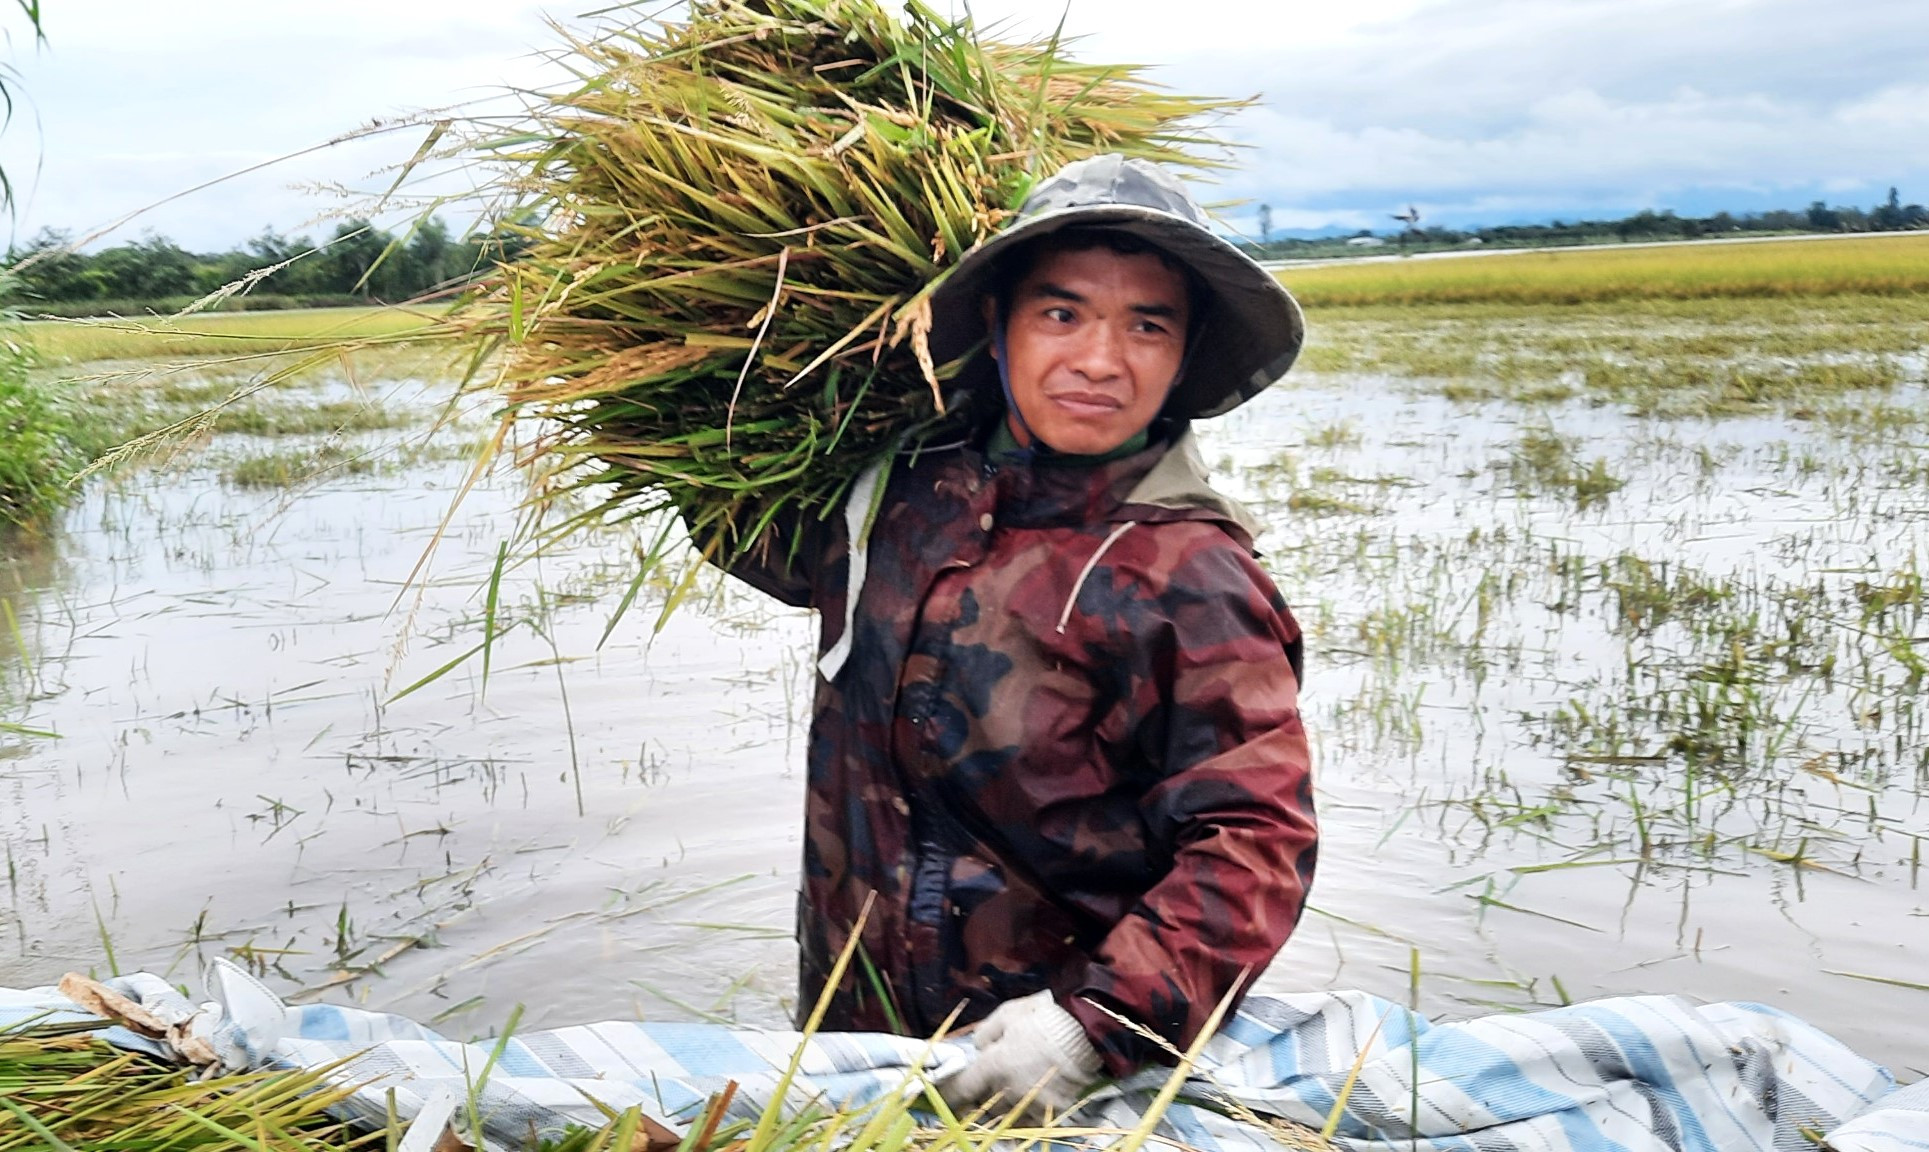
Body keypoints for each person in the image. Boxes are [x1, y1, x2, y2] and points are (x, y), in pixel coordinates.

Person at [714, 154, 1316, 1116]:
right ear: (997, 323)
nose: (1100, 361)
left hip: (1048, 1067)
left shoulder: (1189, 573)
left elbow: (1252, 839)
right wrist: (697, 372)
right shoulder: (900, 492)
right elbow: (753, 535)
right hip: (847, 1026)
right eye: (1061, 313)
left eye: (1147, 325)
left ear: (1185, 353)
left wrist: (1093, 1024)